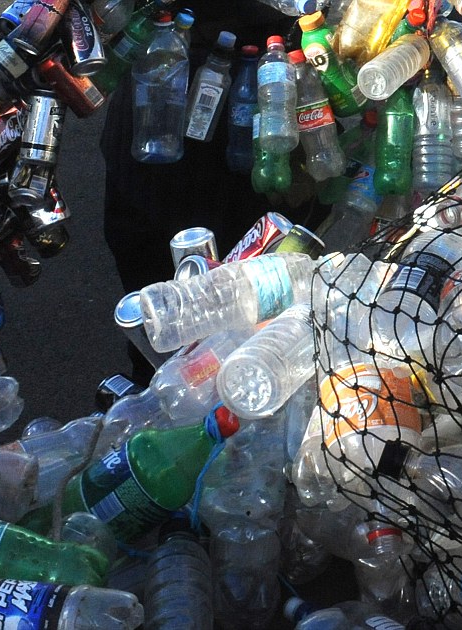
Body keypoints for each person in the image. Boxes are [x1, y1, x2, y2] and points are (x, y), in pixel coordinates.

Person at [100, 0, 328, 384]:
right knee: (163, 278)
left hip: (260, 83)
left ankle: (208, 387)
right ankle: (169, 388)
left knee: (249, 286)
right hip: (175, 68)